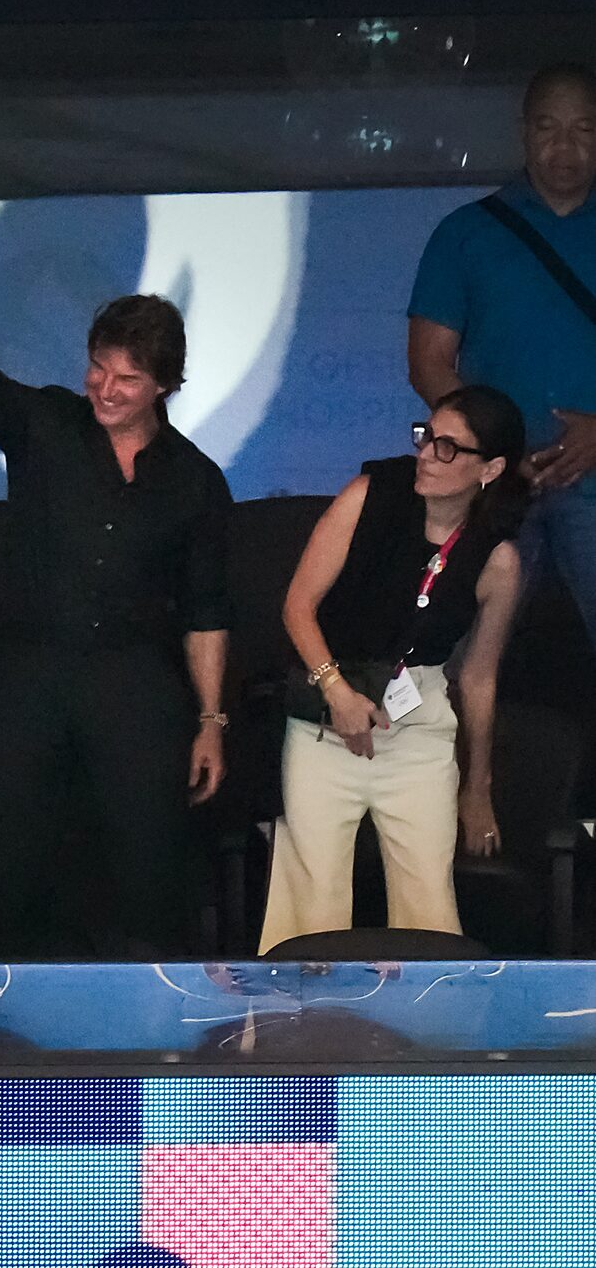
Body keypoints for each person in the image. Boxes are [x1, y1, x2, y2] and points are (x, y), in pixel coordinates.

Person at [0, 220, 230, 958]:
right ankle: (17, 1033)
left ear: (164, 384)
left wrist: (210, 720)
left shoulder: (195, 480)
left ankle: (143, 1034)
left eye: (127, 378)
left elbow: (206, 612)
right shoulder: (46, 424)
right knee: (14, 858)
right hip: (29, 676)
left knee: (142, 864)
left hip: (135, 684)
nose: (104, 387)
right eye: (98, 368)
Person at [258, 386, 525, 954]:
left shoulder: (496, 558)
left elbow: (478, 678)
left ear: (491, 469)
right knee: (313, 907)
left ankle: (430, 1035)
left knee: (429, 906)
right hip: (327, 716)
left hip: (420, 724)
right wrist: (335, 689)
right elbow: (297, 604)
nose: (428, 453)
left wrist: (479, 788)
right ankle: (300, 1036)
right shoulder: (370, 493)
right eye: (427, 436)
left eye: (450, 448)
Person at [409, 62, 596, 645]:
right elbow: (428, 361)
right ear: (524, 132)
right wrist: (493, 444)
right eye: (548, 127)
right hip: (494, 485)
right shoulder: (466, 233)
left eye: (583, 129)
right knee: (459, 663)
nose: (563, 145)